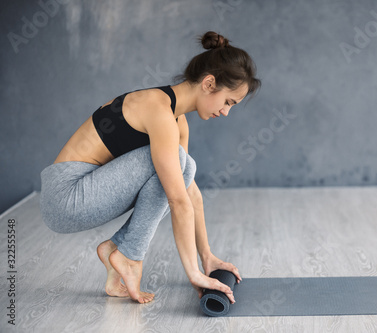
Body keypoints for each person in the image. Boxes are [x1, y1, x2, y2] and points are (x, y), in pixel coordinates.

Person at [39, 31, 261, 304]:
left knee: (183, 166)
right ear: (209, 83)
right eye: (228, 102)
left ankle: (117, 248)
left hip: (82, 193)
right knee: (178, 163)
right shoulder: (157, 111)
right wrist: (193, 274)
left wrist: (208, 257)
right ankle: (129, 257)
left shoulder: (176, 121)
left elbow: (189, 192)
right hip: (64, 197)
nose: (226, 112)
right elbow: (177, 200)